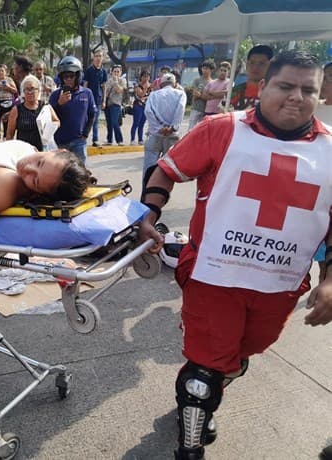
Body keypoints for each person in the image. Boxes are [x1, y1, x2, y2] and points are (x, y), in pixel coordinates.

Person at [137, 50, 332, 460]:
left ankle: (205, 395)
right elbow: (167, 170)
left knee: (237, 359)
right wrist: (147, 214)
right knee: (205, 369)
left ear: (321, 94)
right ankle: (190, 439)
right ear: (263, 86)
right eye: (285, 86)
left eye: (307, 89)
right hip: (213, 276)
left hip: (280, 287)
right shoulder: (221, 129)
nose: (296, 96)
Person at [49, 56, 97, 164]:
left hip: (78, 141)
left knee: (81, 172)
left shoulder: (87, 93)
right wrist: (59, 104)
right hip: (60, 142)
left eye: (71, 76)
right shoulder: (55, 95)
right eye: (65, 77)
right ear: (61, 78)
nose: (69, 79)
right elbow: (49, 117)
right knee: (62, 173)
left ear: (78, 76)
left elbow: (92, 114)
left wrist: (85, 134)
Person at [142, 72, 186, 189]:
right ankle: (162, 195)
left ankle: (146, 195)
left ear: (160, 84)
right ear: (175, 84)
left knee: (149, 169)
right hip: (172, 136)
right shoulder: (180, 94)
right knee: (168, 170)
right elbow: (180, 110)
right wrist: (172, 127)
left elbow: (148, 112)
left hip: (155, 135)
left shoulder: (153, 95)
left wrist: (159, 128)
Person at [312, 62, 332, 283]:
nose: (326, 82)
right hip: (313, 185)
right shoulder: (313, 107)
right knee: (318, 244)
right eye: (324, 77)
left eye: (331, 77)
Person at [6, 75, 59, 151]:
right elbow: (10, 134)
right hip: (23, 152)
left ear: (38, 90)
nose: (30, 92)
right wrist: (9, 150)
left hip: (43, 151)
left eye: (32, 89)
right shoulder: (17, 110)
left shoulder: (45, 106)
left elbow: (57, 121)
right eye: (27, 89)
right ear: (23, 92)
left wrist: (48, 128)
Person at [230, 44, 273, 111]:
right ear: (247, 64)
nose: (255, 67)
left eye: (261, 63)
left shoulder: (274, 93)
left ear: (270, 66)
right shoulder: (234, 91)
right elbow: (222, 114)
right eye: (252, 63)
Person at [83, 48, 108, 147]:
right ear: (93, 57)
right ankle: (83, 138)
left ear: (103, 58)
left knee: (95, 121)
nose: (98, 58)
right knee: (85, 119)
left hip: (98, 99)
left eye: (100, 56)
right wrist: (84, 98)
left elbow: (104, 87)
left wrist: (104, 101)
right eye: (96, 56)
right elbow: (85, 84)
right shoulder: (89, 70)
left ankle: (95, 140)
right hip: (88, 99)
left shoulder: (103, 72)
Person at [0, 64, 18, 140]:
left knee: (6, 119)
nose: (1, 72)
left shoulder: (9, 80)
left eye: (2, 71)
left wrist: (8, 87)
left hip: (7, 102)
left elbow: (15, 91)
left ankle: (6, 136)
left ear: (6, 72)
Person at [103, 65, 126, 146]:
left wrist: (116, 81)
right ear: (111, 72)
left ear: (120, 73)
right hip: (108, 104)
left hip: (116, 104)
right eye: (114, 71)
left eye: (118, 72)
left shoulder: (122, 80)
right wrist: (104, 102)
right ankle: (109, 140)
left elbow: (119, 90)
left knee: (115, 122)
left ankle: (119, 140)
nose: (116, 73)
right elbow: (105, 92)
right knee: (109, 123)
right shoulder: (108, 81)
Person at [188, 61, 214, 130]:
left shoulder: (212, 82)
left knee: (201, 129)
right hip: (195, 108)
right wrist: (204, 96)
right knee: (191, 129)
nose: (205, 70)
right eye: (203, 68)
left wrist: (201, 95)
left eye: (207, 68)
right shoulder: (197, 80)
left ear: (211, 70)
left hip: (206, 110)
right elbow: (195, 94)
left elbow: (211, 97)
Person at [130, 70, 151, 145]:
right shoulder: (137, 86)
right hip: (138, 106)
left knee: (142, 123)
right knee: (136, 122)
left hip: (146, 106)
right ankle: (132, 139)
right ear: (141, 77)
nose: (146, 78)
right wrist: (145, 88)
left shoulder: (150, 86)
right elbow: (141, 95)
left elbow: (152, 95)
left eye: (147, 76)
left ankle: (140, 139)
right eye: (144, 76)